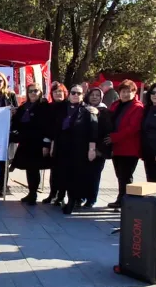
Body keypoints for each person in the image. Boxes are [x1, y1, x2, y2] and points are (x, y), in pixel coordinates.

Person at [52, 84, 99, 214]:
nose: (75, 95)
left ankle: (72, 201)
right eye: (73, 93)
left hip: (79, 148)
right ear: (69, 94)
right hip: (62, 147)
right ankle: (61, 198)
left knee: (75, 176)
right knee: (62, 174)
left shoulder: (87, 110)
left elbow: (93, 131)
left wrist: (92, 149)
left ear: (83, 96)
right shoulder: (62, 108)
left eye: (79, 93)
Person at [106, 80, 143, 208]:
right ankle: (121, 198)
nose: (126, 94)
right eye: (123, 91)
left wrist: (114, 137)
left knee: (126, 175)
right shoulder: (116, 105)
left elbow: (132, 128)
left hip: (129, 148)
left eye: (129, 91)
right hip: (117, 147)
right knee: (120, 175)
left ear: (134, 92)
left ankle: (125, 201)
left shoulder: (138, 107)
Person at [11, 82, 49, 204]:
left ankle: (33, 194)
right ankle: (30, 192)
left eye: (35, 91)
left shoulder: (44, 107)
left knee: (34, 168)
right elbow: (17, 123)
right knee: (29, 169)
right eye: (31, 91)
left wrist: (46, 143)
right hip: (26, 143)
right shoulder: (23, 107)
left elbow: (48, 126)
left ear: (40, 93)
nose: (33, 93)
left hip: (37, 143)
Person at [84, 87, 112, 208]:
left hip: (98, 150)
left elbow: (107, 133)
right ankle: (82, 196)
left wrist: (99, 150)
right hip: (83, 149)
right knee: (83, 174)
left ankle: (91, 199)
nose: (94, 97)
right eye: (92, 94)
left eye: (97, 95)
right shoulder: (83, 109)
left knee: (94, 175)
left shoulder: (105, 112)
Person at [41, 83, 68, 205]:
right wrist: (47, 144)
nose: (58, 94)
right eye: (55, 92)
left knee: (63, 171)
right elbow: (46, 127)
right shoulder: (49, 107)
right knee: (54, 171)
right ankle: (52, 194)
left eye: (60, 92)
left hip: (63, 143)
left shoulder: (68, 107)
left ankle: (61, 196)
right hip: (51, 142)